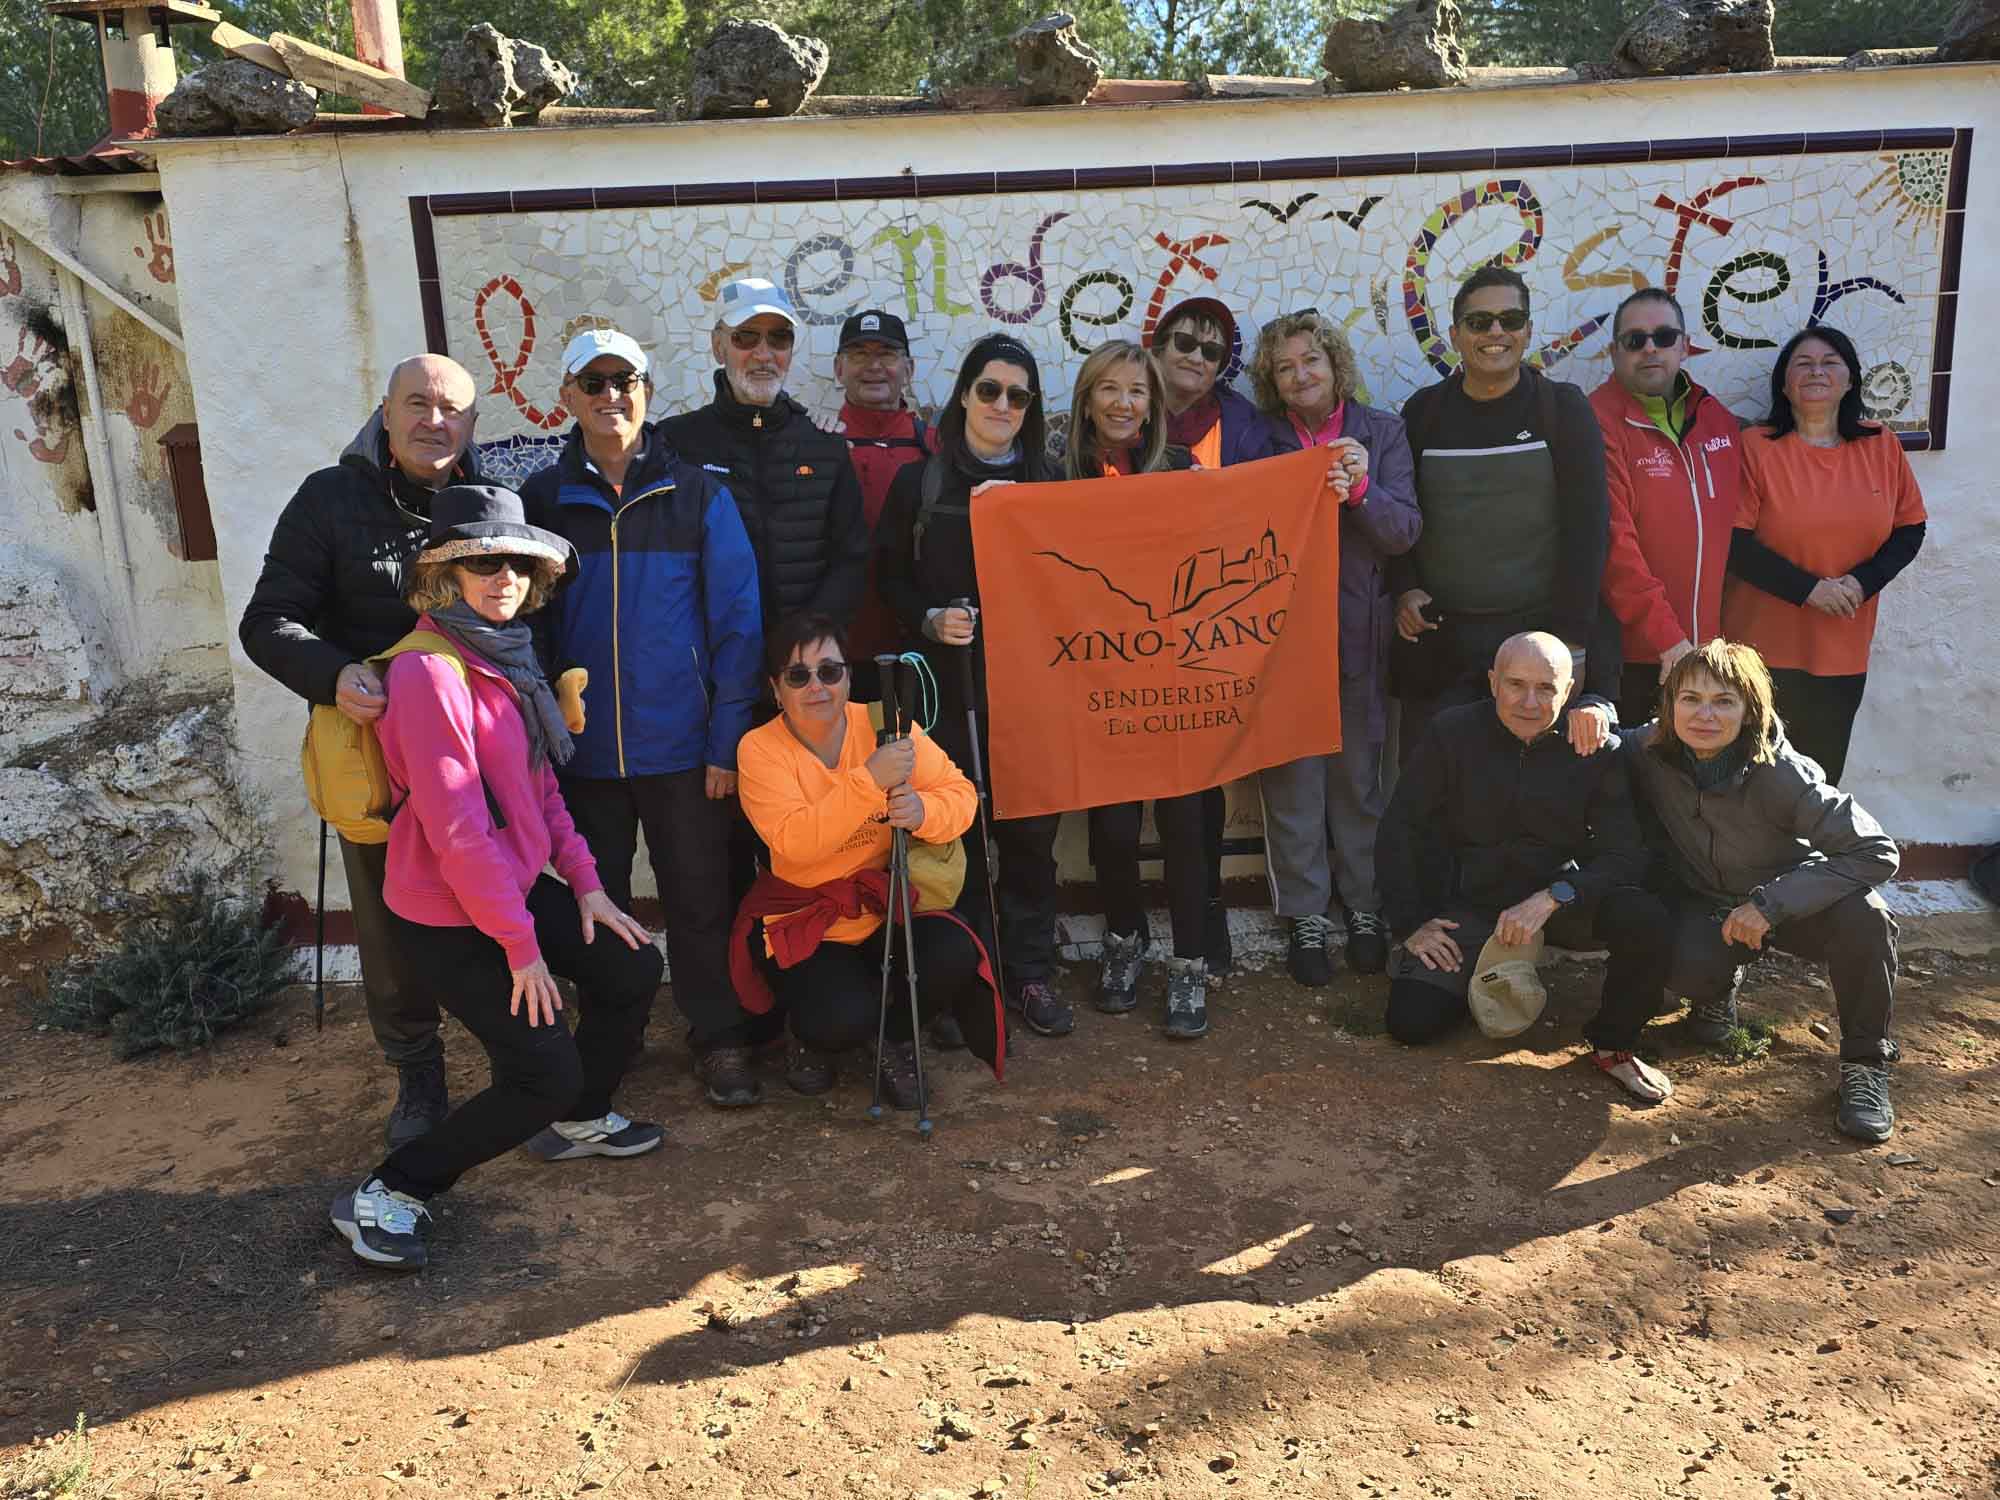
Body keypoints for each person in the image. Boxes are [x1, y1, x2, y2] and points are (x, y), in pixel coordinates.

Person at [330, 485, 663, 1271]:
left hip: (506, 889)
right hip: (448, 912)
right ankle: (391, 1190)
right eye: (482, 561)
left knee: (631, 963)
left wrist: (585, 885)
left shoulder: (504, 658)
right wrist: (520, 946)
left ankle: (582, 1118)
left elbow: (539, 790)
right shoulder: (430, 674)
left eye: (515, 561)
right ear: (444, 576)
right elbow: (456, 828)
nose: (503, 575)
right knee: (540, 1074)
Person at [241, 354, 485, 1151]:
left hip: (477, 749)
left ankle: (524, 1055)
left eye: (451, 408)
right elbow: (269, 619)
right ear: (384, 413)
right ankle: (417, 1069)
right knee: (387, 924)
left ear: (472, 423)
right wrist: (331, 672)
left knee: (499, 898)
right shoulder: (328, 498)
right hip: (373, 753)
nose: (434, 421)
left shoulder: (491, 503)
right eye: (416, 403)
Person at [519, 328, 765, 1109]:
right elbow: (526, 627)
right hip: (584, 754)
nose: (610, 395)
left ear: (647, 391)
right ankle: (614, 1033)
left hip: (684, 750)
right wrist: (544, 736)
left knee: (700, 900)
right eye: (593, 382)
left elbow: (738, 627)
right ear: (568, 397)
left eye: (624, 380)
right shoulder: (542, 503)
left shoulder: (699, 495)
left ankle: (716, 1034)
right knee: (601, 903)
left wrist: (725, 740)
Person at [1622, 640, 1902, 1141]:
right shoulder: (1650, 751)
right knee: (1681, 963)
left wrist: (1770, 904)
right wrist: (1593, 709)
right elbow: (1600, 744)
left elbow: (1877, 850)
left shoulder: (1784, 773)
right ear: (1669, 706)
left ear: (1750, 709)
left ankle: (1865, 1067)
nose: (1704, 715)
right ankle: (1715, 992)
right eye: (1690, 699)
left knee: (1867, 917)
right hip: (1707, 900)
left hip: (1789, 902)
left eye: (1724, 701)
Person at [1376, 632, 1673, 1104]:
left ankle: (1614, 1044)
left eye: (1547, 688)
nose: (1530, 702)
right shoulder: (1451, 732)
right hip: (1472, 904)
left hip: (1561, 902)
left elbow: (1626, 853)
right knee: (1411, 1023)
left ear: (1570, 689)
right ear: (1493, 681)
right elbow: (1401, 828)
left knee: (1645, 920)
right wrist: (1411, 922)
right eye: (1516, 684)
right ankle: (1487, 967)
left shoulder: (1596, 747)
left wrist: (1556, 896)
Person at [876, 333, 1071, 1038]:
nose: (1002, 404)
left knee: (1029, 840)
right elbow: (890, 576)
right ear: (964, 394)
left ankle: (1029, 973)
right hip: (944, 696)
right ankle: (960, 979)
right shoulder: (919, 483)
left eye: (1018, 395)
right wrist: (930, 619)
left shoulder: (1052, 483)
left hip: (1032, 699)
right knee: (949, 836)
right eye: (989, 389)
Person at [731, 614, 1001, 1102]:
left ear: (849, 678)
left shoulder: (886, 726)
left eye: (830, 672)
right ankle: (810, 1038)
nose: (817, 686)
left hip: (886, 904)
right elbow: (796, 841)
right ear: (776, 689)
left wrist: (922, 812)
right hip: (811, 918)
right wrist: (869, 781)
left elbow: (959, 793)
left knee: (952, 951)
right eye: (798, 675)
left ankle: (893, 1039)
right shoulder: (760, 749)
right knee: (836, 1018)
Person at [1250, 310, 1421, 985]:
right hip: (1281, 637)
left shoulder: (1383, 431)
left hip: (1361, 634)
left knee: (1360, 779)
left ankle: (1365, 909)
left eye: (1311, 361)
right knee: (1293, 780)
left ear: (1336, 364)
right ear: (1271, 380)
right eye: (1285, 367)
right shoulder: (1256, 437)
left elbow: (1405, 530)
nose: (1301, 375)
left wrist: (1362, 491)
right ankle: (1305, 915)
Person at [1394, 265, 1620, 762]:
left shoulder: (1560, 409)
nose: (1496, 332)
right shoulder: (1424, 413)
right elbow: (1400, 517)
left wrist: (1574, 644)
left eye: (1510, 319)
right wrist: (1405, 586)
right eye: (1479, 323)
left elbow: (1588, 532)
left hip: (1538, 642)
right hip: (1444, 650)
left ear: (1528, 330)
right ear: (1455, 335)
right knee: (1437, 790)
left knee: (1534, 791)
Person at [1061, 340, 1212, 1038]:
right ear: (1088, 398)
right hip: (1095, 681)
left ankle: (1190, 960)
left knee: (1186, 825)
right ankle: (1124, 942)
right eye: (1110, 389)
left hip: (1176, 681)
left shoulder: (1184, 470)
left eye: (1139, 391)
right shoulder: (1054, 476)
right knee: (1114, 830)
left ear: (1154, 404)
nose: (1124, 404)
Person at [1721, 326, 1926, 785]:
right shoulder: (1755, 447)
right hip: (1761, 645)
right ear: (1784, 382)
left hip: (1844, 643)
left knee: (1819, 777)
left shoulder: (1881, 445)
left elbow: (1910, 529)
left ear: (1851, 379)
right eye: (1803, 363)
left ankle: (1810, 860)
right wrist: (1809, 591)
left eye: (1830, 362)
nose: (1817, 371)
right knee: (1752, 777)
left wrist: (1859, 584)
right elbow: (1735, 544)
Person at [1147, 293, 1276, 977]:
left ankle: (1205, 912)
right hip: (1126, 632)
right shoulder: (1119, 409)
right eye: (1183, 342)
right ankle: (1129, 936)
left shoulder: (1247, 425)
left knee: (1199, 788)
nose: (1195, 357)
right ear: (1157, 344)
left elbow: (1284, 496)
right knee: (1124, 792)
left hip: (1213, 631)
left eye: (1212, 349)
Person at [657, 277, 870, 639]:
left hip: (804, 668)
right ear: (718, 346)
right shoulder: (675, 442)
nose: (763, 353)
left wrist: (808, 640)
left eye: (779, 338)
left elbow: (851, 559)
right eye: (746, 337)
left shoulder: (825, 445)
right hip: (711, 663)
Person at [1590, 288, 1744, 726]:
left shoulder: (1717, 419)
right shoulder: (1596, 421)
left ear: (1684, 344)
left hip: (1705, 654)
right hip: (1635, 658)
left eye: (1663, 336)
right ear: (1614, 352)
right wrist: (1667, 640)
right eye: (1634, 340)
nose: (1650, 348)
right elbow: (1614, 547)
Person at [827, 309, 934, 666]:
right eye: (859, 355)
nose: (873, 366)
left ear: (909, 369)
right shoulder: (815, 446)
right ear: (839, 369)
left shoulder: (937, 449)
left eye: (886, 354)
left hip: (920, 648)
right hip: (838, 650)